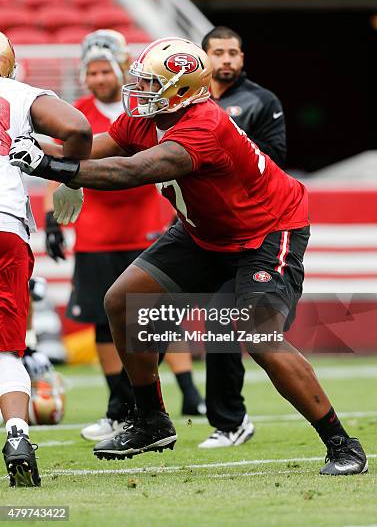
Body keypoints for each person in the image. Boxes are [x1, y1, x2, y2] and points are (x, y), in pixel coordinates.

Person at [10, 37, 368, 476]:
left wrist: (58, 170)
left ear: (183, 90)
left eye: (150, 83)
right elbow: (102, 146)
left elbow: (134, 170)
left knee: (257, 334)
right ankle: (151, 418)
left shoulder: (203, 126)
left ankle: (340, 443)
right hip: (205, 232)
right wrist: (33, 152)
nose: (138, 91)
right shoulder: (152, 115)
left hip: (267, 233)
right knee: (122, 300)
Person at [44, 30, 204, 442]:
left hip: (148, 226)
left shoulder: (157, 113)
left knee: (155, 318)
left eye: (105, 70)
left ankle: (165, 399)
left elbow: (130, 168)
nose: (99, 79)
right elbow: (65, 159)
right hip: (97, 233)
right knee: (105, 318)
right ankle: (122, 408)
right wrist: (51, 218)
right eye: (92, 72)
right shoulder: (78, 112)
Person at [0, 31, 91, 487]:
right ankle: (17, 433)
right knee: (6, 347)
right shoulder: (19, 94)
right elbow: (77, 128)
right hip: (4, 226)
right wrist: (69, 178)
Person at [197, 25, 287, 448]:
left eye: (234, 52)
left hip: (251, 233)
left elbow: (276, 160)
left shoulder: (260, 101)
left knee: (223, 322)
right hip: (202, 230)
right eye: (219, 52)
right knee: (141, 313)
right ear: (204, 56)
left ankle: (230, 422)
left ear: (243, 58)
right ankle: (127, 413)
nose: (227, 59)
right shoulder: (190, 102)